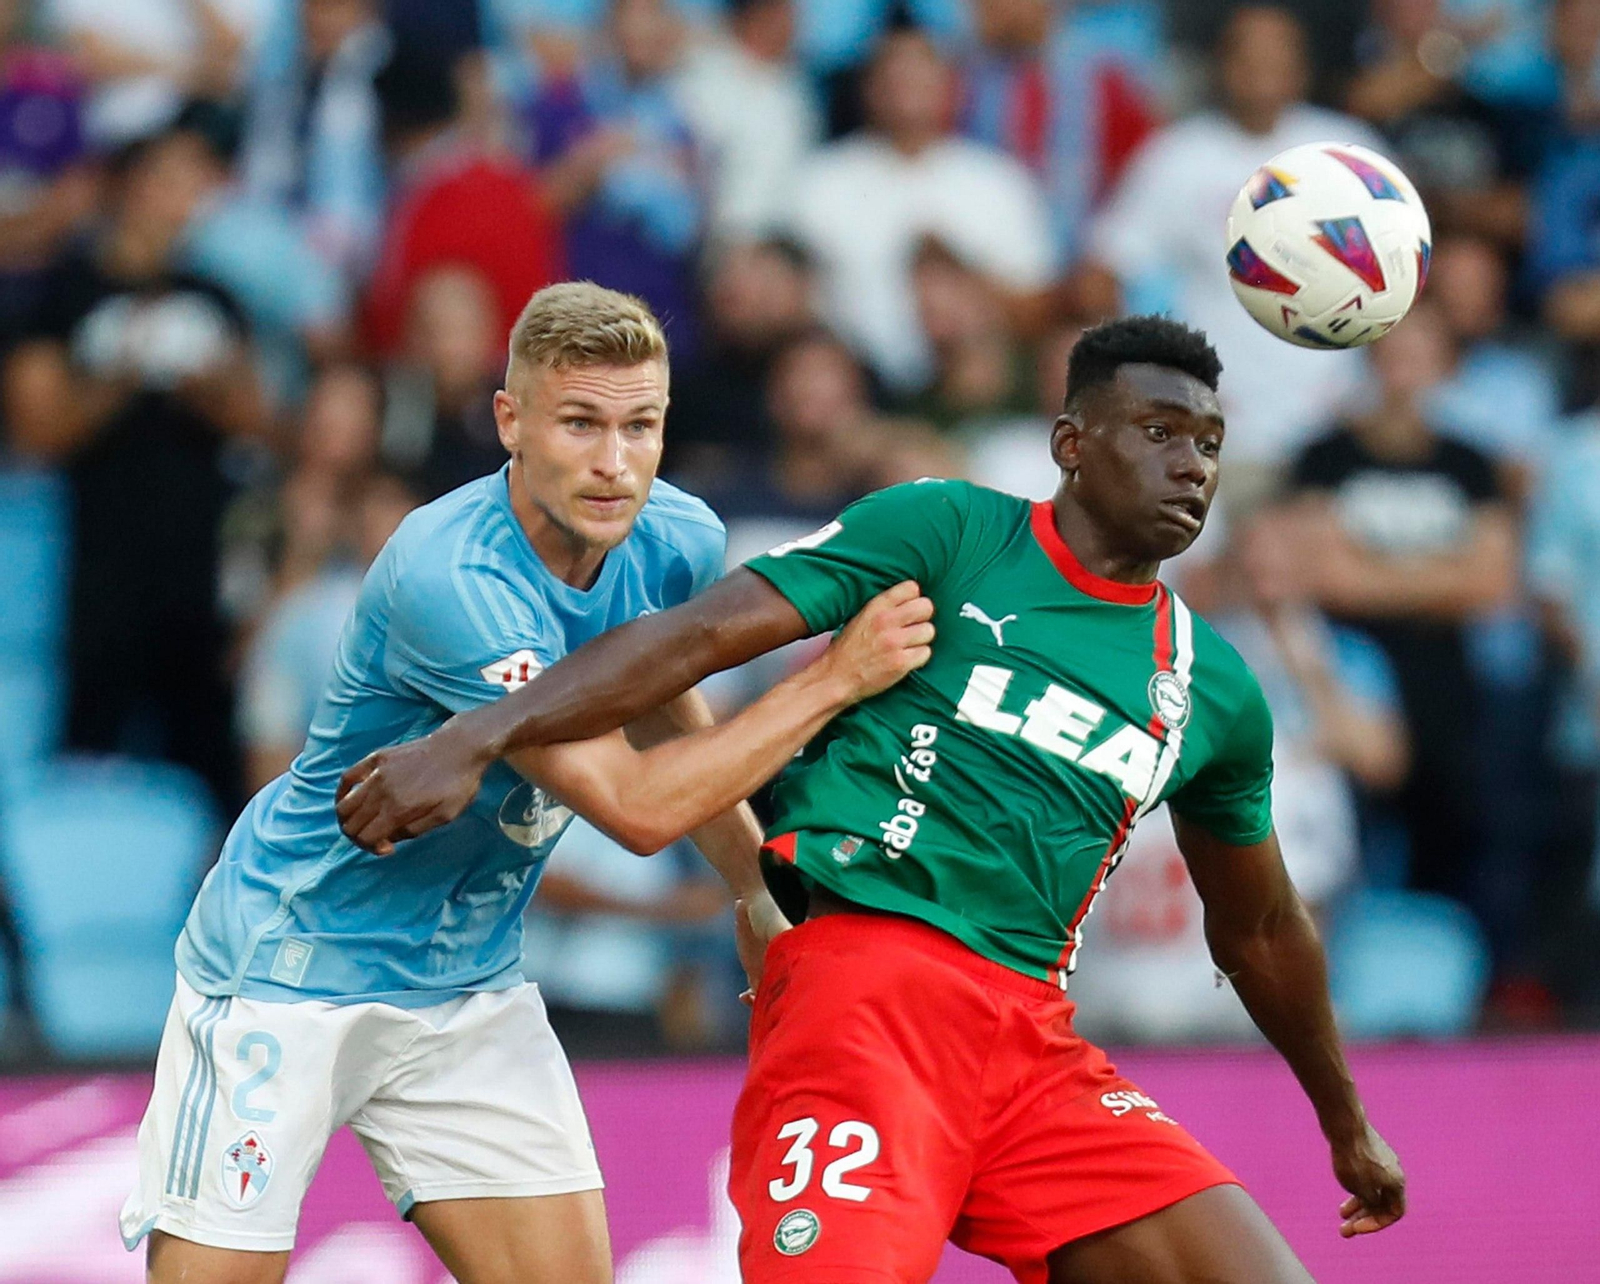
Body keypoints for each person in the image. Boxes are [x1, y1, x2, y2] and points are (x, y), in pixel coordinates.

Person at [337, 315, 1407, 1284]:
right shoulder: (949, 532)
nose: (1191, 466)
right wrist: (479, 734)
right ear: (1071, 442)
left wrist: (1344, 1121)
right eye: (1159, 431)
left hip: (1031, 1038)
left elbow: (1261, 927)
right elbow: (696, 636)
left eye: (1208, 446)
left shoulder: (1209, 685)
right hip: (865, 1000)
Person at [118, 280, 934, 1284]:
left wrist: (754, 887)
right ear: (510, 420)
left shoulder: (676, 538)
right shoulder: (449, 576)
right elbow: (633, 806)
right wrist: (834, 682)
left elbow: (665, 708)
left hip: (465, 986)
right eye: (580, 423)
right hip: (291, 968)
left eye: (640, 426)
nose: (613, 461)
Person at [1083, 5, 1387, 475]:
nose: (1261, 71)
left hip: (1338, 421)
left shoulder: (1348, 150)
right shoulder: (1177, 157)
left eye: (1277, 57)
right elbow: (1105, 271)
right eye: (1248, 56)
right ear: (1221, 66)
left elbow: (1405, 273)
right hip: (1220, 428)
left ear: (1302, 68)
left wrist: (1380, 389)